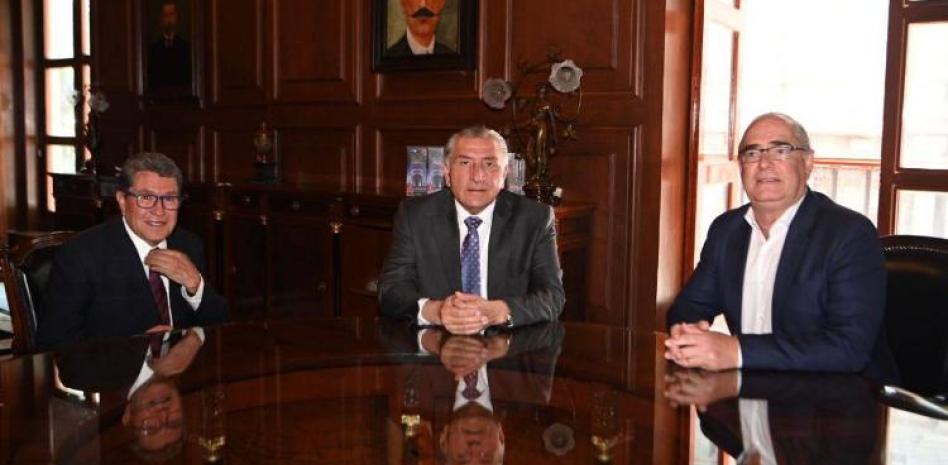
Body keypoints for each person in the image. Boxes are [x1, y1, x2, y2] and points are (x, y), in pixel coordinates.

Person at [664, 113, 898, 381]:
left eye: (780, 150)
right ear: (741, 166)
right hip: (750, 390)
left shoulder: (849, 234)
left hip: (840, 396)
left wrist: (736, 351)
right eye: (752, 153)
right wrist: (687, 335)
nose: (764, 163)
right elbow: (690, 306)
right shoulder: (726, 230)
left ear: (807, 163)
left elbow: (849, 348)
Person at [378, 126, 565, 334]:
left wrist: (500, 311)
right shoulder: (415, 216)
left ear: (504, 174)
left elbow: (553, 296)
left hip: (508, 344)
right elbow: (390, 290)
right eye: (465, 163)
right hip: (436, 342)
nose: (477, 176)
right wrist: (437, 311)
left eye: (489, 164)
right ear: (447, 173)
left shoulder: (535, 219)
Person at [37, 152, 228, 349]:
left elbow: (223, 327)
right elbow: (53, 344)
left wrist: (195, 285)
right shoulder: (81, 255)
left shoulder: (188, 244)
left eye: (169, 199)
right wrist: (133, 350)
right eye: (146, 197)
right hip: (115, 368)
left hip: (182, 366)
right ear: (122, 200)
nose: (159, 211)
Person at [147, 1, 191, 92]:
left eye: (171, 15)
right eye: (165, 15)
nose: (169, 20)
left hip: (181, 96)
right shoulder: (154, 49)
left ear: (176, 17)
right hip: (159, 97)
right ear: (161, 19)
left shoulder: (185, 47)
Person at [386, 0, 456, 56]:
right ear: (403, 3)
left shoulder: (452, 58)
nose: (423, 4)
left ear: (442, 2)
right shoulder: (389, 58)